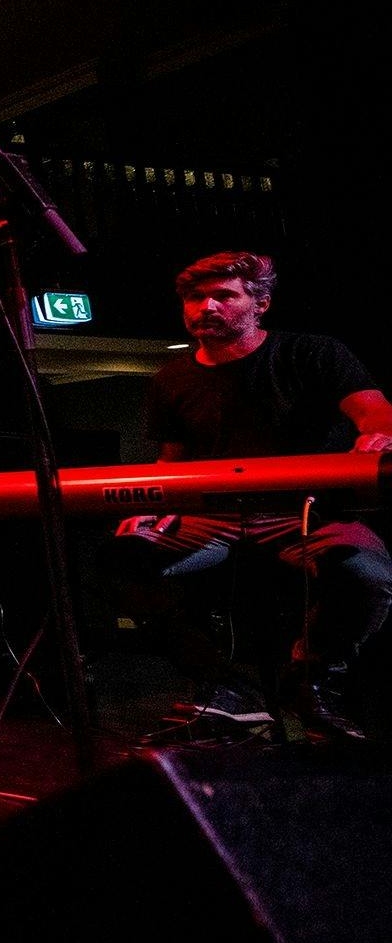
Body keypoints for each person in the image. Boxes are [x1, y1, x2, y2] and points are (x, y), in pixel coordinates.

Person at [114, 251, 392, 739]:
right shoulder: (172, 378)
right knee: (123, 563)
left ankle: (310, 681)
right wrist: (148, 507)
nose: (207, 306)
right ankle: (226, 688)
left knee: (364, 574)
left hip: (304, 512)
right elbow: (171, 462)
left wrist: (379, 435)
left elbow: (374, 410)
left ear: (260, 303)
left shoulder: (313, 353)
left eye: (224, 295)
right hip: (213, 517)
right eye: (197, 297)